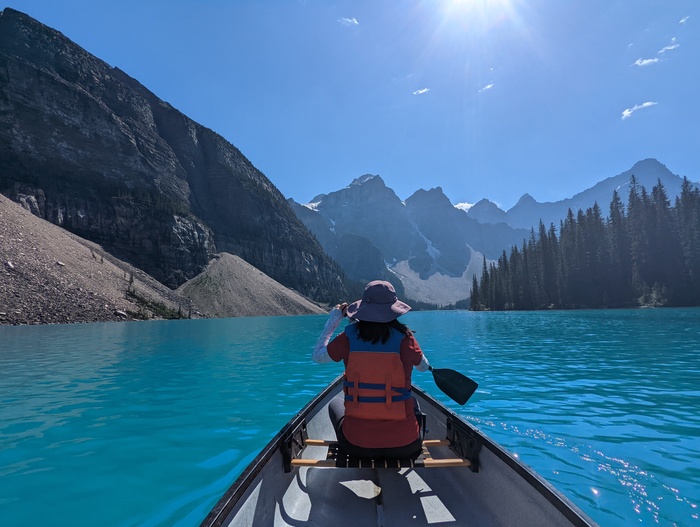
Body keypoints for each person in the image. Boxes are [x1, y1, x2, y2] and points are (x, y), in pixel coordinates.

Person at [312, 280, 430, 459]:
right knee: (412, 402)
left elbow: (318, 357)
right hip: (406, 445)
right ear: (394, 308)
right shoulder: (406, 339)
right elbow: (423, 367)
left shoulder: (349, 337)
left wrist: (334, 320)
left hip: (356, 445)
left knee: (334, 404)